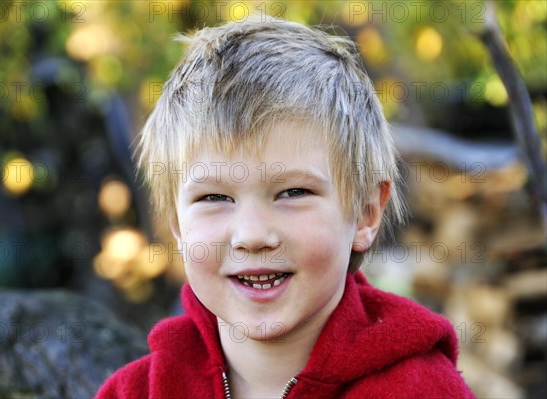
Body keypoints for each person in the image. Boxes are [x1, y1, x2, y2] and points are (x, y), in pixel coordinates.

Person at [96, 15, 474, 399]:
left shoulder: (421, 390)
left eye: (293, 193)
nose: (253, 235)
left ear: (365, 213)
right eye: (214, 198)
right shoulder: (135, 392)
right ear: (176, 224)